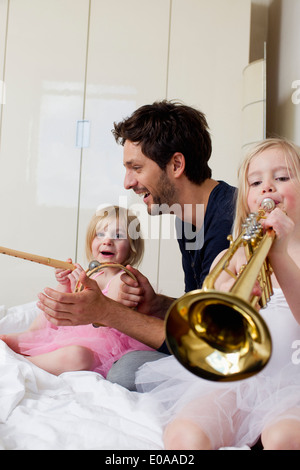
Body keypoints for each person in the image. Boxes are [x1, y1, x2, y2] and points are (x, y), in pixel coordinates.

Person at [36, 100, 236, 389]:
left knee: (126, 372)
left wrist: (106, 312)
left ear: (176, 165)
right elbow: (201, 311)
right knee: (127, 368)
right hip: (210, 337)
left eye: (136, 168)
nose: (127, 183)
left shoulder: (230, 219)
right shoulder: (186, 217)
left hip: (224, 353)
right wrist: (157, 304)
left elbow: (208, 341)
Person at [135, 137, 300, 450]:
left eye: (281, 177)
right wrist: (224, 287)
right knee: (186, 435)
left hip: (295, 381)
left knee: (283, 439)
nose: (267, 187)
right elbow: (208, 303)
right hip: (242, 379)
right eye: (255, 182)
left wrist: (278, 254)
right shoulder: (232, 254)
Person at [0, 205, 154, 376]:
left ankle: (22, 363)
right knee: (34, 326)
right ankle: (19, 341)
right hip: (71, 334)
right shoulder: (92, 273)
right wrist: (66, 283)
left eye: (118, 236)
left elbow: (104, 312)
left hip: (103, 347)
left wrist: (84, 286)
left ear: (132, 246)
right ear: (90, 241)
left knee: (77, 356)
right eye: (100, 234)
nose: (107, 241)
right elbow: (65, 307)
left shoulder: (124, 278)